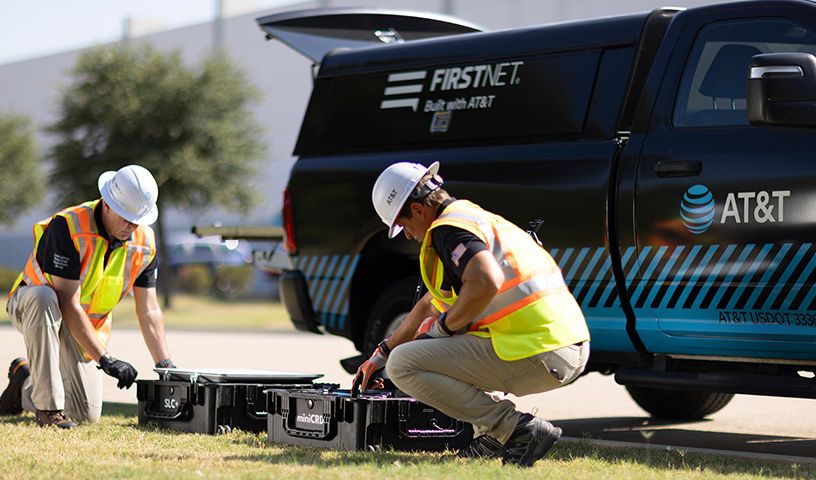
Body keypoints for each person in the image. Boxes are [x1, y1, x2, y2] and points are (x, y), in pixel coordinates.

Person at [354, 161, 590, 467]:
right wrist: (382, 352)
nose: (408, 236)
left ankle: (515, 428)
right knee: (412, 352)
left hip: (540, 350)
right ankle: (493, 437)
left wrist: (445, 329)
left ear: (418, 209)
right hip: (558, 345)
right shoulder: (470, 218)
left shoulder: (447, 231)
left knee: (404, 365)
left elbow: (485, 280)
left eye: (404, 225)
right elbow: (429, 303)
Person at [0, 164, 175, 429]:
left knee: (85, 413)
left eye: (137, 219)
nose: (132, 225)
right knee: (44, 298)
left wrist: (166, 366)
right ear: (106, 203)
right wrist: (106, 359)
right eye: (126, 217)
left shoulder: (144, 243)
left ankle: (24, 382)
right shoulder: (68, 227)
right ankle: (48, 410)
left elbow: (149, 310)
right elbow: (67, 302)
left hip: (83, 327)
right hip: (34, 304)